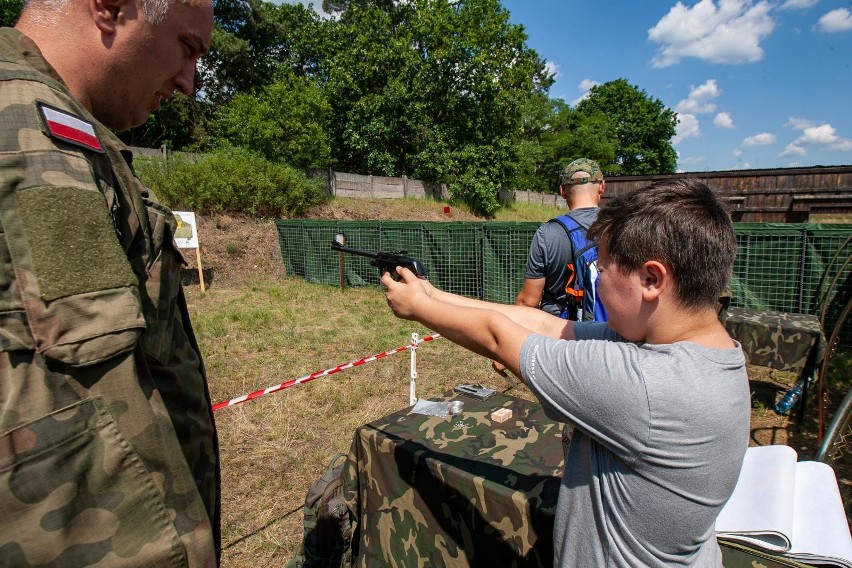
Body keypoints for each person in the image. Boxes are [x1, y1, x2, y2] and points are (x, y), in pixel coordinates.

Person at [382, 179, 750, 567]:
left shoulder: (644, 384)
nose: (599, 280)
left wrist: (419, 309)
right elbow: (543, 325)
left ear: (651, 279)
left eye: (603, 269)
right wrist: (430, 294)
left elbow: (498, 337)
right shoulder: (701, 351)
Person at [0, 1, 220, 566]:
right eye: (187, 48)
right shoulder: (33, 133)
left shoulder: (63, 126)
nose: (190, 83)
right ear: (111, 7)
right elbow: (88, 435)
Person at [515, 158, 605, 318]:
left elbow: (529, 302)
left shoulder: (548, 233)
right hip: (609, 333)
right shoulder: (622, 227)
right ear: (602, 187)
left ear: (562, 191)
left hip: (559, 333)